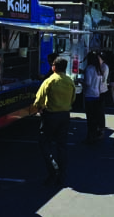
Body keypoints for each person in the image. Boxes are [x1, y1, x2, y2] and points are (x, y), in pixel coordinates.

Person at [33, 56, 76, 186]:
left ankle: (53, 167)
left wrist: (39, 108)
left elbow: (38, 99)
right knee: (61, 145)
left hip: (50, 115)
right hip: (65, 115)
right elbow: (73, 99)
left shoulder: (49, 81)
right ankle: (62, 173)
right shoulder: (69, 81)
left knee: (44, 142)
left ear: (54, 67)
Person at [83, 51, 105, 143]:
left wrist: (81, 81)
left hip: (89, 94)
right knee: (95, 116)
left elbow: (88, 82)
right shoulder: (98, 69)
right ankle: (96, 134)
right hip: (97, 94)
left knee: (90, 117)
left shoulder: (89, 69)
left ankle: (90, 136)